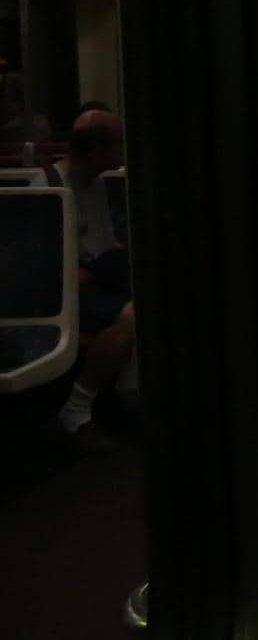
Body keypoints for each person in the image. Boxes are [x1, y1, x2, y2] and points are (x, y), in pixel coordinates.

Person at [30, 109, 135, 452]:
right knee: (132, 317)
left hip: (93, 280)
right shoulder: (48, 187)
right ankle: (76, 408)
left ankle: (124, 398)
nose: (122, 151)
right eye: (117, 144)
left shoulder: (96, 186)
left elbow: (104, 245)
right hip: (63, 293)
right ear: (97, 150)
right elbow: (47, 272)